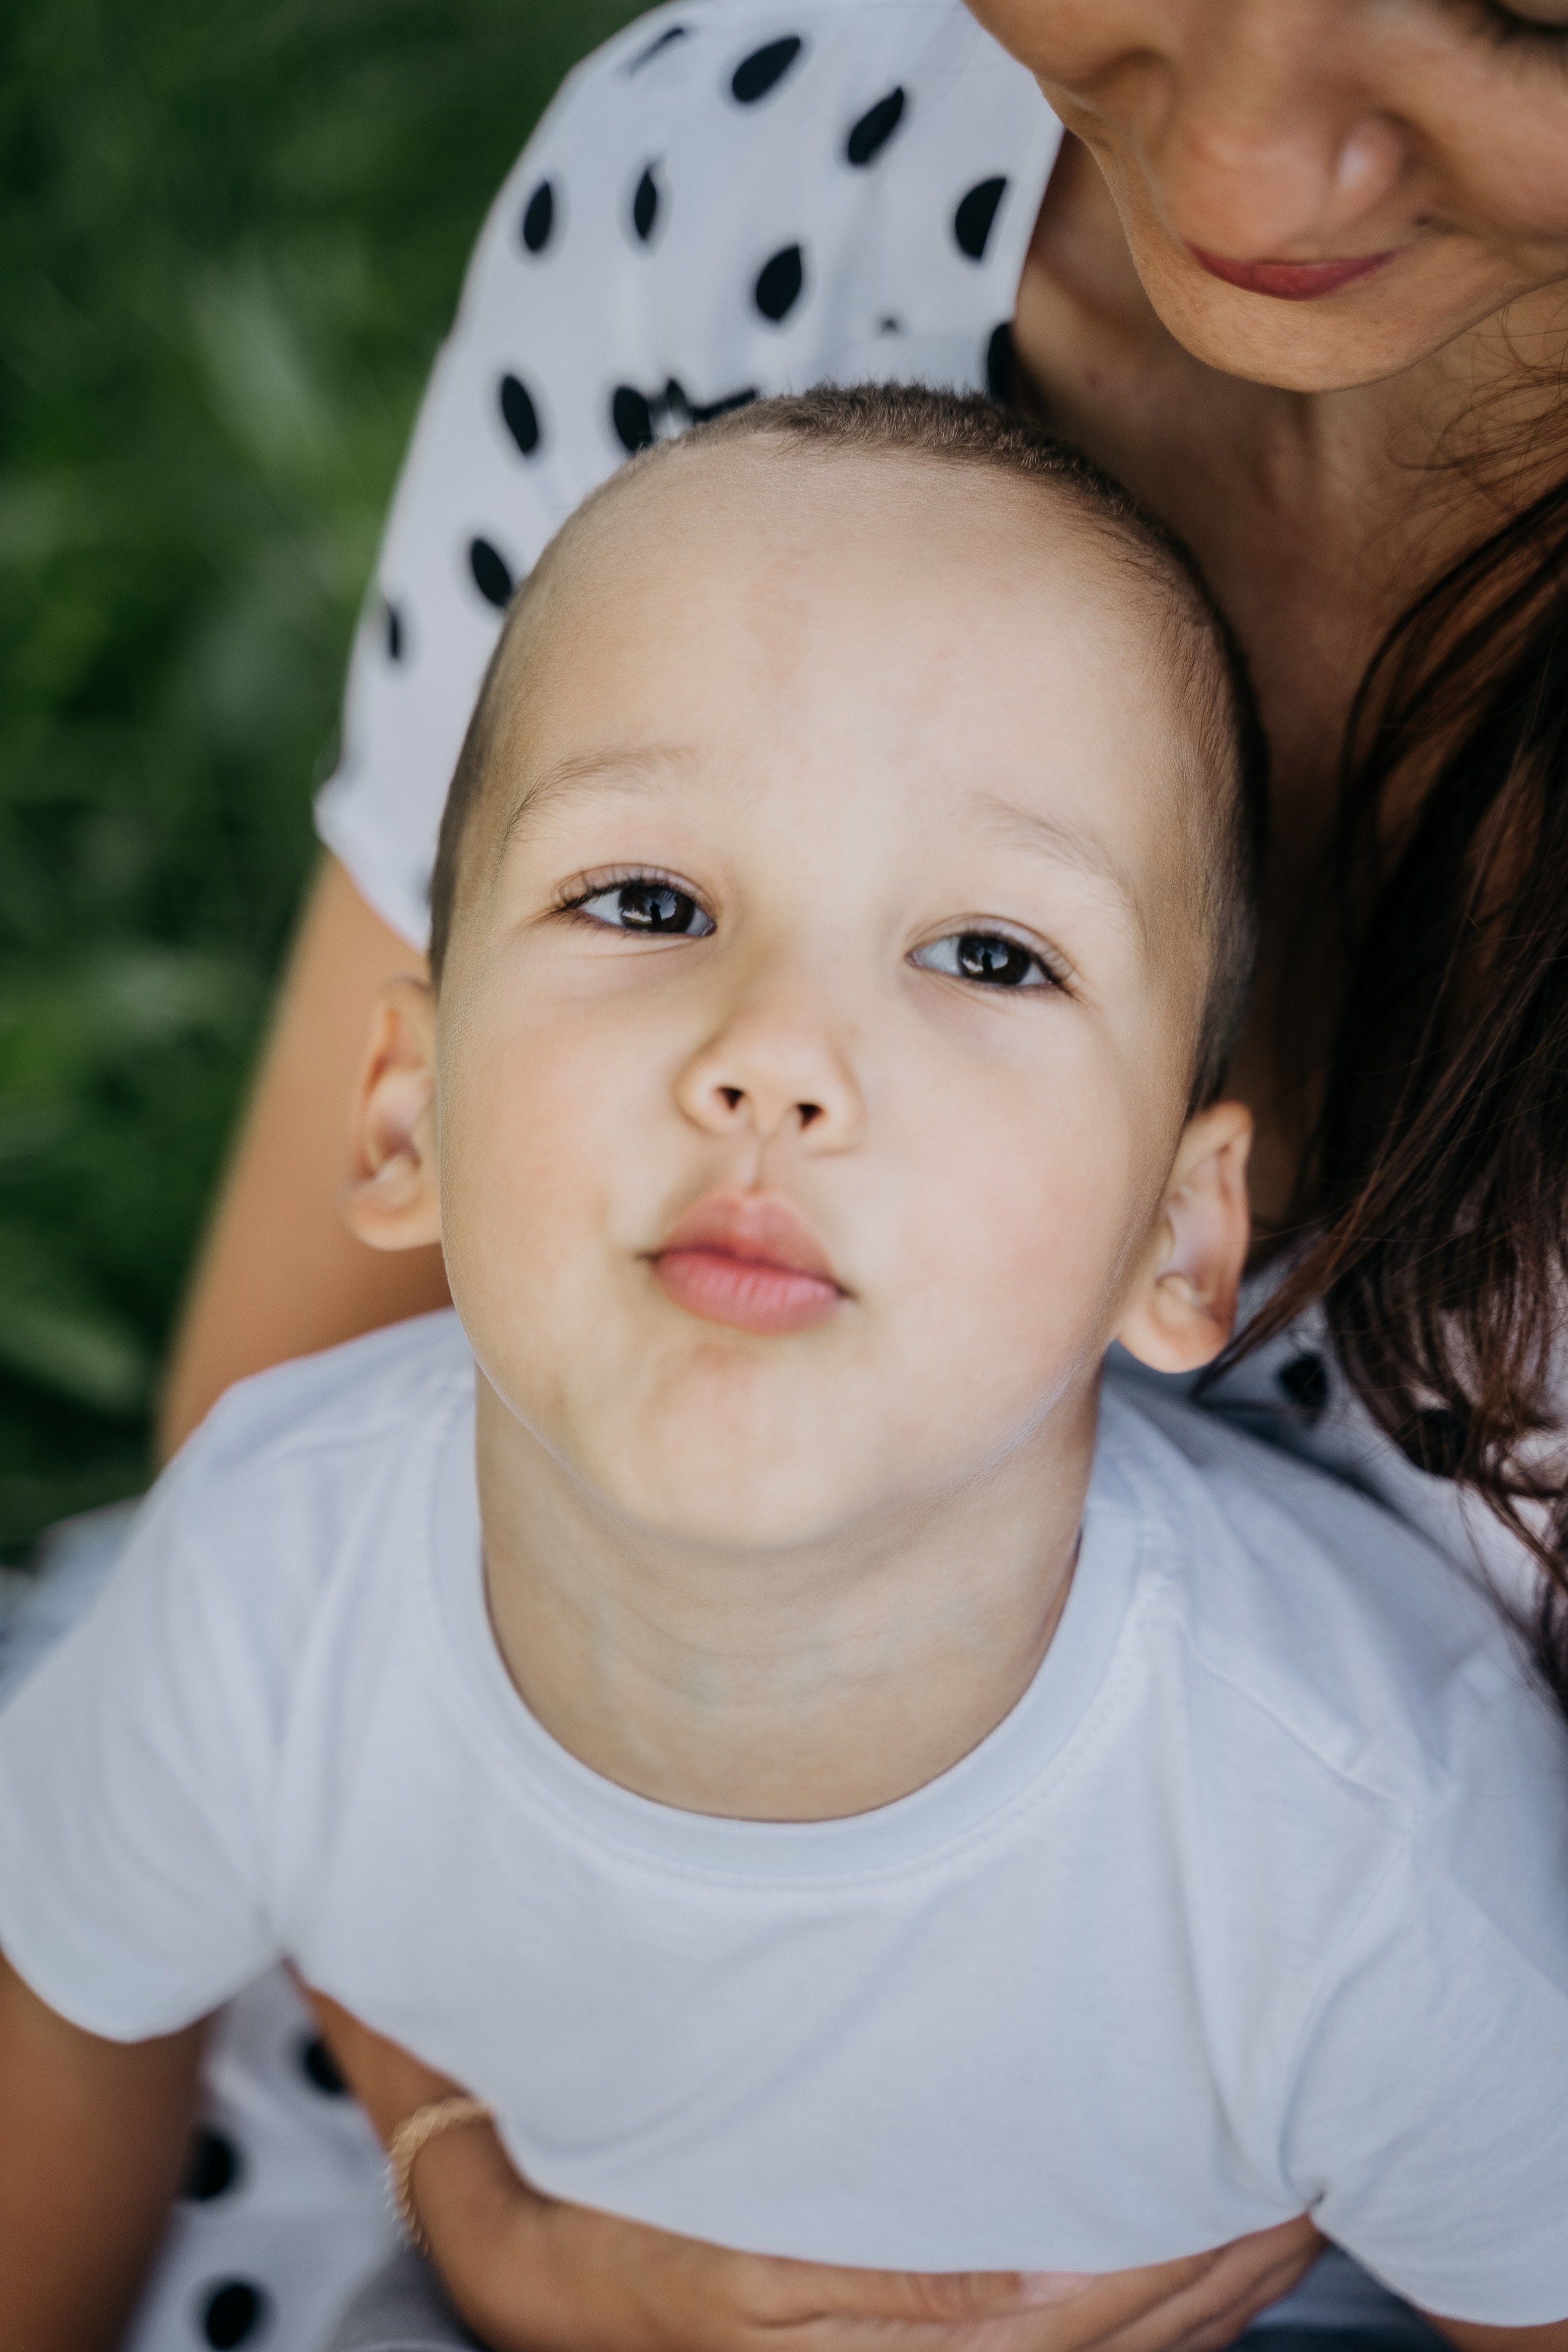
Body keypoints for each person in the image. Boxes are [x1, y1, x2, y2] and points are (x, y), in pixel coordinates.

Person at [20, 0, 1562, 2345]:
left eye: (984, 950)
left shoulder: (1354, 1861)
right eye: (648, 905)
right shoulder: (274, 1592)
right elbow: (71, 1995)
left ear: (1191, 1229)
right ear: (398, 1105)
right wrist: (478, 2193)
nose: (777, 1065)